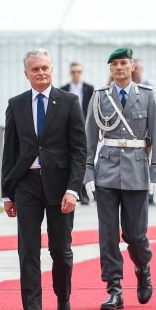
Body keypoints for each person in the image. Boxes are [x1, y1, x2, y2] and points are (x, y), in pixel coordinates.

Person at [1, 49, 86, 310]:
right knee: (28, 251)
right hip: (26, 184)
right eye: (35, 69)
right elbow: (9, 151)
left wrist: (74, 190)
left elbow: (79, 150)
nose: (41, 73)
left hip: (60, 186)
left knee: (60, 251)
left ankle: (63, 300)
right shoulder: (16, 104)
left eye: (45, 68)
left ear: (52, 70)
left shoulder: (69, 102)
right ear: (26, 73)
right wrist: (7, 193)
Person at [84, 47, 156, 310]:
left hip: (136, 172)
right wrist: (87, 174)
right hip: (106, 172)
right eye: (115, 64)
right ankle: (114, 288)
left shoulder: (147, 97)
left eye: (123, 63)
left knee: (135, 235)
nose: (119, 68)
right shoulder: (99, 98)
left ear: (132, 67)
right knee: (107, 235)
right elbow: (88, 140)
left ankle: (143, 268)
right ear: (110, 69)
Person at [61, 62, 94, 205]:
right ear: (70, 73)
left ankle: (84, 192)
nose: (76, 74)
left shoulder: (89, 89)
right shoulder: (64, 89)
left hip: (85, 127)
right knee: (70, 158)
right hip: (67, 128)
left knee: (83, 159)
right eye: (73, 71)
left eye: (78, 71)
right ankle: (71, 190)